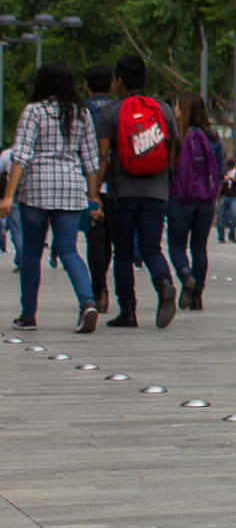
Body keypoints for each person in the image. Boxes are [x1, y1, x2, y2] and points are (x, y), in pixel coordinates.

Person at [0, 63, 100, 333]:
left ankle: (28, 315)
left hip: (37, 188)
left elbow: (21, 155)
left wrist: (8, 195)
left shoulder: (34, 111)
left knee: (32, 251)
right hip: (70, 186)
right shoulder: (82, 114)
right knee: (68, 248)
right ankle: (87, 302)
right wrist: (93, 198)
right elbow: (91, 162)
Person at [91, 54, 180, 330]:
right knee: (152, 248)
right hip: (156, 192)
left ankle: (128, 312)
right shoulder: (162, 109)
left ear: (118, 81)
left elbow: (102, 156)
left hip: (123, 192)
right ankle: (164, 282)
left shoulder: (110, 113)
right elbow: (172, 149)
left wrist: (94, 194)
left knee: (124, 253)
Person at [164, 93, 220, 312]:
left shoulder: (175, 136)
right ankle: (197, 297)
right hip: (206, 200)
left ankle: (186, 275)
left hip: (180, 197)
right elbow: (220, 171)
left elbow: (168, 168)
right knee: (199, 247)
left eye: (177, 106)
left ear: (184, 110)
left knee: (177, 245)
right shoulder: (213, 137)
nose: (175, 111)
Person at [81, 63, 114, 313]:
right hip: (118, 182)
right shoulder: (119, 109)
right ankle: (106, 289)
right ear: (112, 84)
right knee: (110, 240)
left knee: (95, 239)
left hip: (89, 181)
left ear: (86, 85)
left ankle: (98, 290)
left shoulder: (80, 111)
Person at [216, 156, 236, 244]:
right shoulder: (222, 171)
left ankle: (232, 234)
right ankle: (221, 236)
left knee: (234, 214)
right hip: (223, 196)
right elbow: (218, 181)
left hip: (233, 196)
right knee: (220, 216)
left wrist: (234, 180)